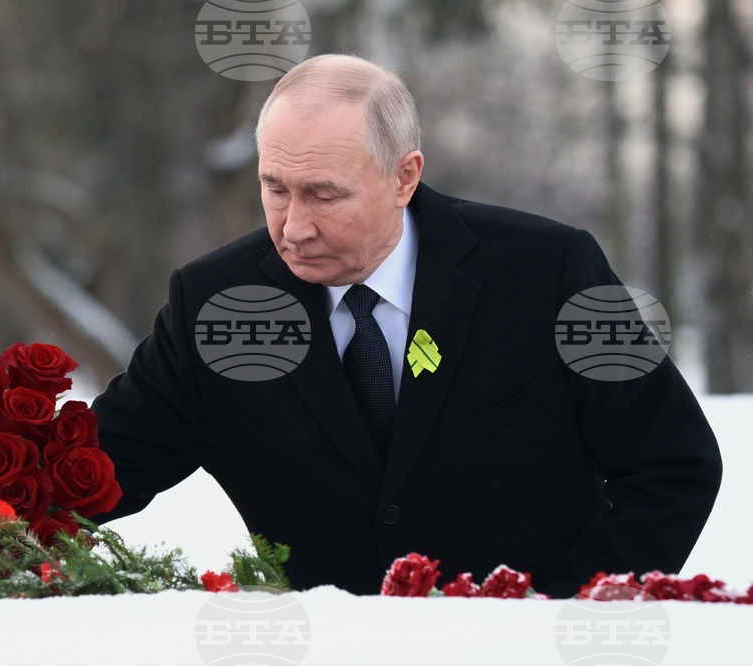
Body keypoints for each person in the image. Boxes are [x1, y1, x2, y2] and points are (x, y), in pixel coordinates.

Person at [90, 54, 722, 598]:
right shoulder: (215, 305)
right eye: (275, 188)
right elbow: (95, 470)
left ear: (404, 176)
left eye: (324, 194)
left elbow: (672, 465)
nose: (293, 227)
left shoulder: (548, 271)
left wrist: (575, 608)